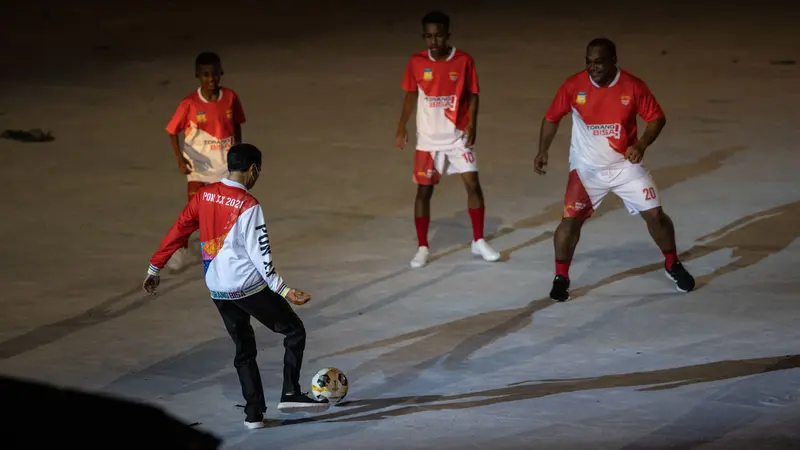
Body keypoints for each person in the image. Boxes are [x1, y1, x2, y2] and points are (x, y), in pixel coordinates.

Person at [142, 144, 329, 430]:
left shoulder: (204, 195)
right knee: (293, 331)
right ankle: (290, 392)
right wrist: (284, 290)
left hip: (217, 287)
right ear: (253, 169)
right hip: (248, 286)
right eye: (259, 171)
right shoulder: (248, 204)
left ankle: (254, 414)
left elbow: (179, 229)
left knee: (244, 348)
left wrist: (155, 267)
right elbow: (260, 254)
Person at [535, 38, 696, 301]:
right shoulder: (573, 85)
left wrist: (642, 144)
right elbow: (551, 117)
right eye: (588, 62)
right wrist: (543, 150)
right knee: (569, 224)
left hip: (625, 166)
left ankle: (672, 263)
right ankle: (561, 277)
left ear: (613, 61)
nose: (592, 68)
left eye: (598, 62)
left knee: (655, 215)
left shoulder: (633, 86)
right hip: (587, 170)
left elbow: (657, 118)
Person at [395, 10, 500, 268]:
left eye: (439, 35)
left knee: (473, 184)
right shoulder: (416, 62)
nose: (434, 41)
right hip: (428, 140)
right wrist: (401, 126)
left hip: (457, 135)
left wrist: (473, 124)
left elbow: (473, 94)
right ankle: (422, 247)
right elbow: (410, 95)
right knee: (424, 191)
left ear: (447, 35)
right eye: (429, 36)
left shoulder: (464, 60)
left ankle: (478, 240)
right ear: (424, 37)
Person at [164, 52, 246, 270]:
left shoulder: (230, 98)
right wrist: (180, 159)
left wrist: (237, 149)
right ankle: (180, 249)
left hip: (223, 166)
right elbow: (172, 131)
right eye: (206, 75)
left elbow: (237, 123)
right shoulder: (189, 103)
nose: (211, 79)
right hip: (199, 167)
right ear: (197, 76)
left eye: (215, 74)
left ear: (221, 74)